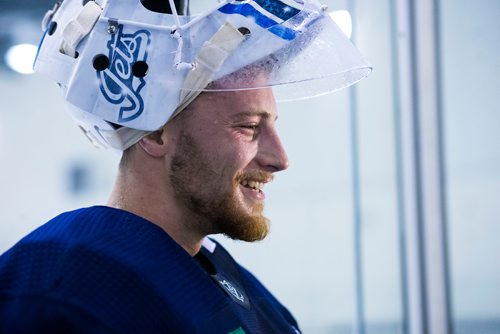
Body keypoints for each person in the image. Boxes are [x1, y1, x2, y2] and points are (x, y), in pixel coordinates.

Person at [0, 0, 371, 332]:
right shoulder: (64, 286)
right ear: (157, 132)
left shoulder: (230, 282)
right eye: (248, 127)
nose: (280, 159)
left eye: (273, 125)